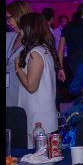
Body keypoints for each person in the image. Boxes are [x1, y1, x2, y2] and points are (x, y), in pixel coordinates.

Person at [14, 13, 60, 146]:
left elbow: (31, 86)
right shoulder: (44, 50)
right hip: (42, 114)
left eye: (22, 28)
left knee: (37, 159)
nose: (20, 31)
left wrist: (18, 67)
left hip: (38, 116)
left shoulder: (35, 53)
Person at [58, 2, 83, 84]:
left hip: (71, 64)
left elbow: (60, 50)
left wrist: (60, 68)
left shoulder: (67, 26)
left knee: (75, 90)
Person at [6, 0, 32, 107]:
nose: (7, 22)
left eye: (9, 18)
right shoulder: (9, 36)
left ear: (18, 15)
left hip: (21, 93)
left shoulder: (32, 40)